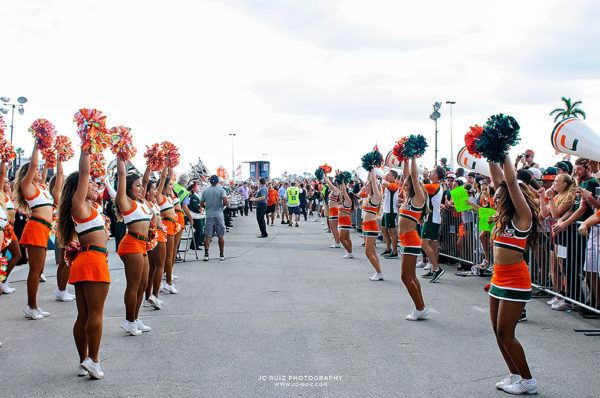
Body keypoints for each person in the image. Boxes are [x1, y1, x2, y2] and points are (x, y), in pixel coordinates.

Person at [488, 154, 540, 394]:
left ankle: (529, 382)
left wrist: (504, 152)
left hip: (515, 280)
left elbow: (508, 181)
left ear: (510, 197)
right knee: (498, 333)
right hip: (497, 278)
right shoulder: (501, 218)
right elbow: (499, 180)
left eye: (499, 195)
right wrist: (490, 153)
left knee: (506, 333)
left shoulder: (522, 218)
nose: (494, 197)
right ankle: (515, 374)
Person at [57, 149, 110, 379]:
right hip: (93, 261)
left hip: (85, 261)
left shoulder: (91, 208)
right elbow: (85, 170)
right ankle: (94, 361)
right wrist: (86, 146)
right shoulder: (79, 206)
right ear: (80, 187)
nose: (95, 186)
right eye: (90, 184)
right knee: (95, 314)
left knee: (84, 315)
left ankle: (83, 362)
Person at [115, 157, 154, 336]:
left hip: (143, 245)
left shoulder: (142, 202)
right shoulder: (125, 201)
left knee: (143, 284)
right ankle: (129, 321)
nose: (141, 188)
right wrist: (121, 156)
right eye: (137, 186)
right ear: (128, 187)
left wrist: (150, 164)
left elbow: (146, 181)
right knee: (134, 285)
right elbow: (122, 174)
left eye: (141, 186)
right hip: (131, 244)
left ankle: (136, 318)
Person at [14, 144, 54, 319]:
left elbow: (44, 167)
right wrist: (37, 145)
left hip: (44, 229)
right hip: (36, 228)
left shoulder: (43, 188)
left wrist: (51, 152)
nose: (39, 172)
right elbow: (34, 165)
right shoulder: (27, 185)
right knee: (35, 269)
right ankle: (31, 306)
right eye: (35, 170)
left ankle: (34, 305)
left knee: (39, 269)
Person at [538, 173, 576, 311]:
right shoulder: (558, 196)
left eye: (556, 181)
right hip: (555, 236)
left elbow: (554, 214)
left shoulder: (568, 197)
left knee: (563, 268)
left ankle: (566, 297)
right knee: (554, 267)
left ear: (565, 184)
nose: (554, 183)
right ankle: (558, 294)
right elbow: (544, 214)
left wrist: (551, 197)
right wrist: (543, 197)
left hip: (564, 236)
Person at [397, 158, 430, 320]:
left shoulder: (418, 199)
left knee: (406, 276)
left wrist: (412, 157)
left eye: (407, 185)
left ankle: (419, 308)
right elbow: (406, 176)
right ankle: (420, 307)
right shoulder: (409, 198)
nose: (404, 186)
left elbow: (413, 175)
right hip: (406, 240)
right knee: (411, 276)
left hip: (410, 240)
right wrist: (404, 159)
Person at [143, 170, 167, 310]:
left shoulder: (154, 202)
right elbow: (145, 182)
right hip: (156, 235)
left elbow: (162, 179)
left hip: (158, 234)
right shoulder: (146, 202)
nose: (156, 191)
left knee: (153, 268)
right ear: (147, 192)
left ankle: (148, 297)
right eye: (153, 189)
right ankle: (155, 295)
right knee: (160, 266)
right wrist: (149, 167)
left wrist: (164, 166)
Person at [420, 166, 446, 282]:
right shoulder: (436, 186)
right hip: (433, 218)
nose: (430, 172)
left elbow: (418, 188)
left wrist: (422, 177)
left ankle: (436, 268)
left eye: (432, 171)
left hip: (431, 219)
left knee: (424, 244)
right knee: (433, 245)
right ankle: (433, 270)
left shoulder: (433, 186)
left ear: (436, 175)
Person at [0, 162, 21, 294]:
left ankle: (3, 280)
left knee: (16, 255)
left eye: (8, 182)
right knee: (2, 256)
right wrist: (4, 161)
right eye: (5, 181)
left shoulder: (10, 195)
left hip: (9, 228)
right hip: (3, 227)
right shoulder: (1, 193)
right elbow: (2, 175)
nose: (7, 183)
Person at [200, 175, 229, 261]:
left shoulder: (205, 191)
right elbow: (226, 202)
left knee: (208, 235)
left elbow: (201, 204)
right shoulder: (221, 190)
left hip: (209, 215)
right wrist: (224, 205)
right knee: (221, 235)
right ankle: (221, 254)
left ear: (210, 182)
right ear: (217, 182)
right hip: (219, 215)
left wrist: (207, 206)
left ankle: (206, 254)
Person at [361, 170, 383, 280]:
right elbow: (368, 181)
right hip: (365, 226)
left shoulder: (376, 197)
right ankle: (378, 271)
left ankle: (379, 272)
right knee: (372, 251)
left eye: (367, 187)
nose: (366, 188)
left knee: (368, 252)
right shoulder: (368, 197)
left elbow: (373, 182)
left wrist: (373, 170)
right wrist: (369, 170)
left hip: (371, 227)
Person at [380, 170, 399, 259]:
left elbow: (385, 184)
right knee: (384, 229)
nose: (387, 176)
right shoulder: (388, 185)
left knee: (392, 231)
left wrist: (383, 178)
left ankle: (394, 252)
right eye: (386, 175)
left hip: (391, 211)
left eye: (389, 175)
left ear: (394, 177)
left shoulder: (394, 185)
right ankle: (388, 249)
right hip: (386, 211)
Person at [337, 180, 355, 259]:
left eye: (342, 192)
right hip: (342, 221)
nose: (341, 192)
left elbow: (344, 191)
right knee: (347, 238)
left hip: (345, 221)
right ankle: (350, 252)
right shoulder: (343, 201)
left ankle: (350, 252)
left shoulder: (348, 200)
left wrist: (343, 182)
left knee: (341, 238)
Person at [323, 174, 342, 248]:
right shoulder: (332, 191)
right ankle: (336, 241)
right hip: (331, 210)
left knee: (334, 227)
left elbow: (330, 184)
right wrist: (326, 175)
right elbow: (330, 184)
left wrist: (325, 177)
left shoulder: (336, 190)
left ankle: (337, 242)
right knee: (332, 227)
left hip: (334, 210)